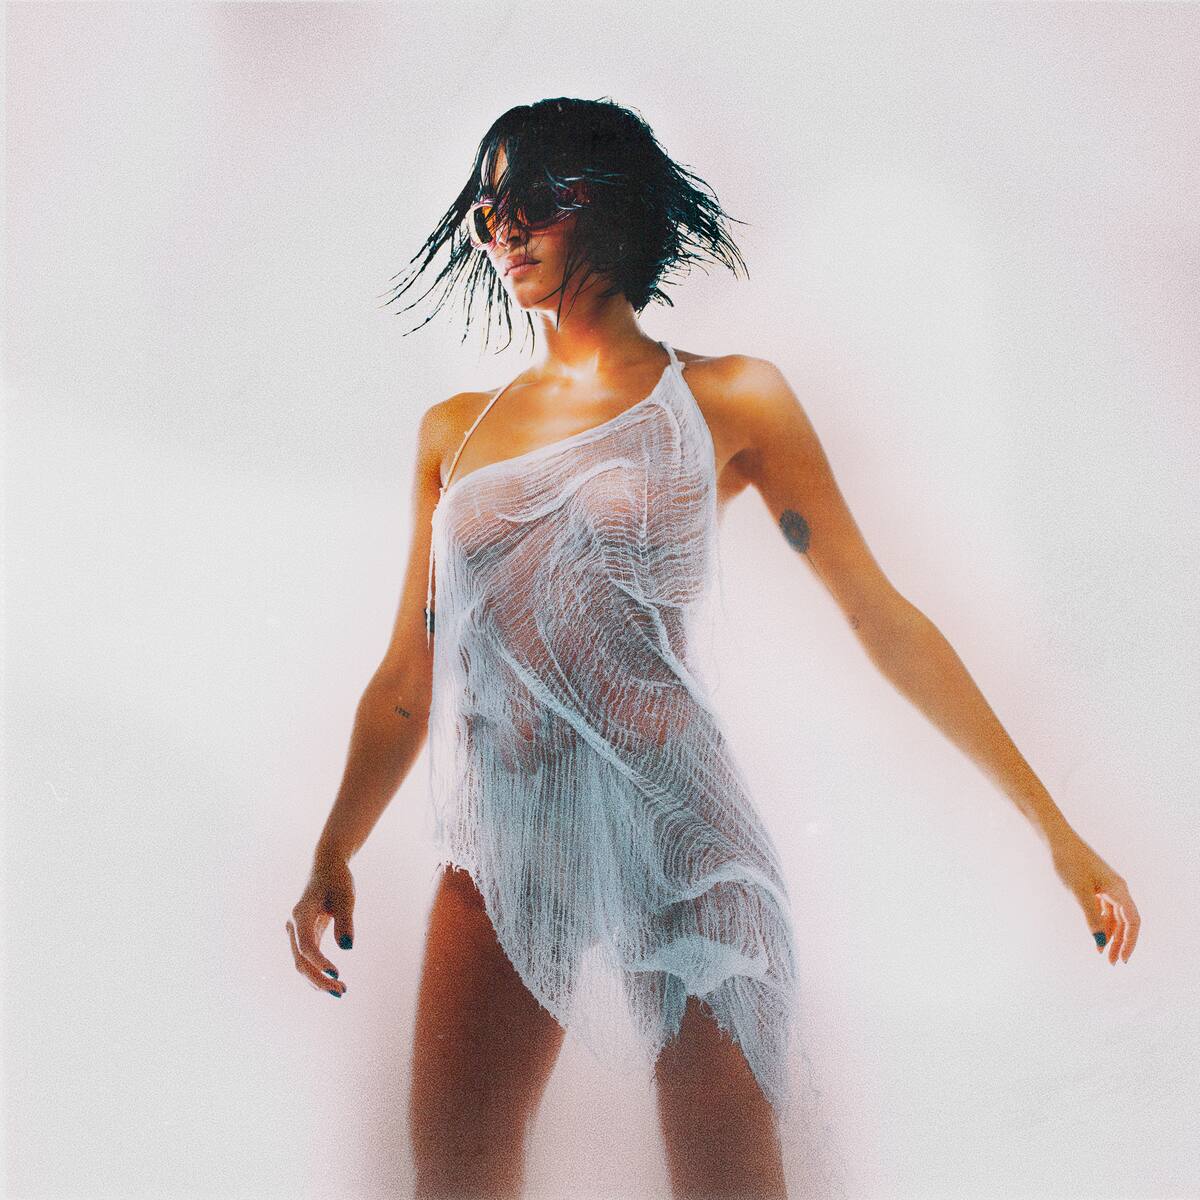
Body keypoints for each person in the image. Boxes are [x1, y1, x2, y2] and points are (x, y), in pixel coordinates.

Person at [285, 97, 1141, 1200]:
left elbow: (880, 616)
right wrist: (334, 847)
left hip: (684, 842)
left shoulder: (731, 398)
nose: (504, 228)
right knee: (451, 1177)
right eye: (489, 207)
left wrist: (1057, 832)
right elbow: (409, 676)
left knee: (729, 1180)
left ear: (610, 204)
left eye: (534, 198)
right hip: (506, 841)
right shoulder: (455, 432)